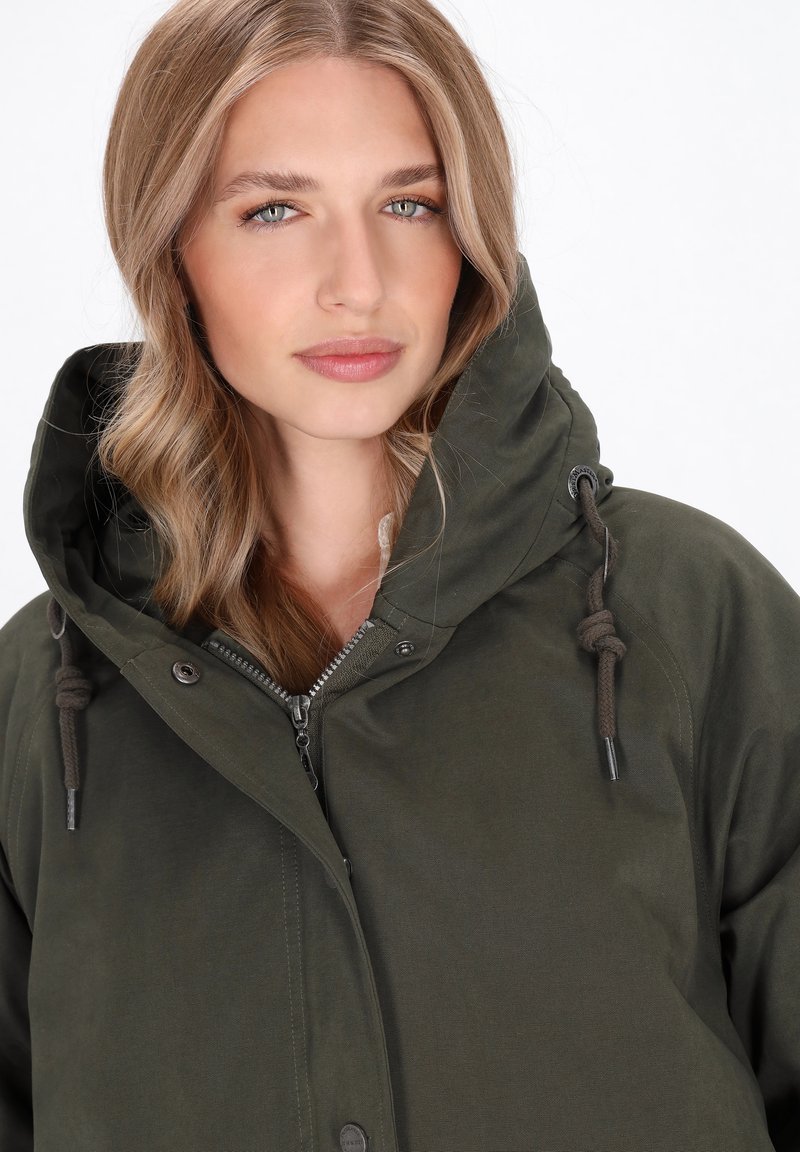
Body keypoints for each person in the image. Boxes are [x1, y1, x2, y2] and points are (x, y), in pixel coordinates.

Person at [1, 0, 798, 1149]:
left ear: (470, 239)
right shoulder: (42, 697)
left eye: (408, 204)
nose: (357, 282)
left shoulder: (686, 612)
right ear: (171, 250)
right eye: (274, 209)